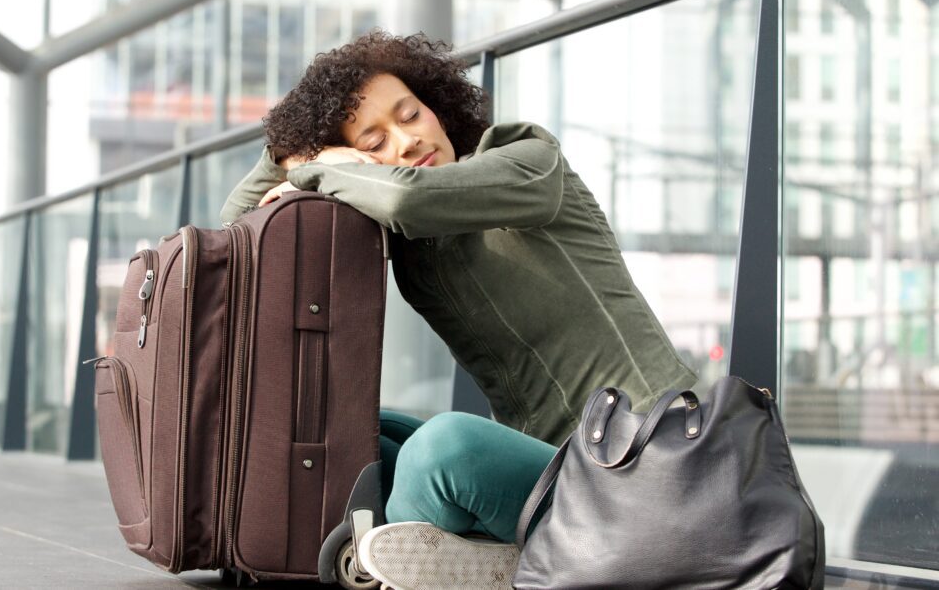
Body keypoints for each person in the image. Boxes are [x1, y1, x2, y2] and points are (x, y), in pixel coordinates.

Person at [220, 31, 696, 589]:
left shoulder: (529, 161)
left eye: (410, 114)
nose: (405, 141)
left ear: (438, 107)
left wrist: (317, 170)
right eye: (373, 142)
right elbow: (237, 231)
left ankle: (386, 570)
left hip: (652, 463)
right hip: (553, 471)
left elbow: (406, 196)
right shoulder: (417, 245)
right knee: (360, 437)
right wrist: (292, 154)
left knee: (446, 448)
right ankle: (471, 557)